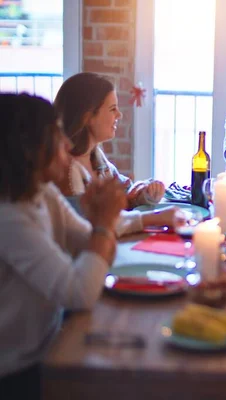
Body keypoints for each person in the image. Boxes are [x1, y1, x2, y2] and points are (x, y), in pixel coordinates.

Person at [0, 93, 126, 399]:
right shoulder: (9, 218)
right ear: (30, 149)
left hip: (52, 343)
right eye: (57, 137)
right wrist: (104, 223)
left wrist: (100, 223)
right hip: (18, 372)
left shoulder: (43, 194)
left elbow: (99, 251)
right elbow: (79, 291)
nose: (68, 146)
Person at [53, 72, 181, 235]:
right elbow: (90, 226)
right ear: (88, 117)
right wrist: (155, 217)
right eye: (113, 109)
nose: (119, 115)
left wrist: (145, 193)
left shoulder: (97, 159)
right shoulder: (68, 171)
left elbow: (125, 191)